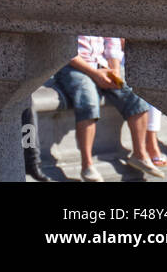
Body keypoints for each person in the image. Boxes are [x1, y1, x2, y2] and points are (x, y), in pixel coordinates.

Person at [52, 35, 158, 182]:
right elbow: (63, 49)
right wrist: (94, 74)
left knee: (135, 98)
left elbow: (112, 38)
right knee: (88, 101)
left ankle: (139, 154)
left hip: (102, 64)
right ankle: (87, 165)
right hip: (73, 67)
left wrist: (114, 70)